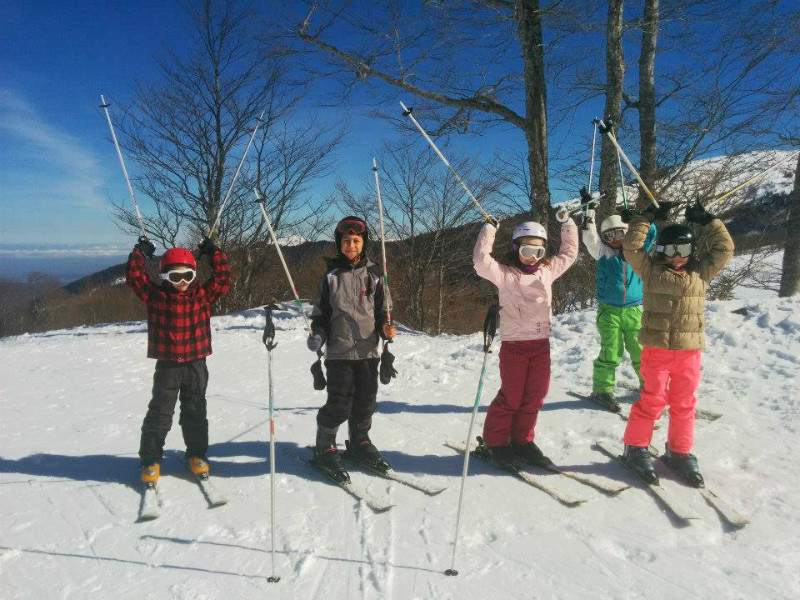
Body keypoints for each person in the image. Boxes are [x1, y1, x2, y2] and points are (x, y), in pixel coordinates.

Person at [620, 202, 733, 486]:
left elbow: (724, 249)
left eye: (683, 251)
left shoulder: (700, 273)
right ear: (660, 252)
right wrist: (643, 219)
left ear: (692, 252)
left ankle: (680, 451)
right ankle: (635, 447)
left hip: (688, 353)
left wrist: (709, 221)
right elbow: (632, 248)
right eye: (669, 250)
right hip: (656, 351)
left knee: (684, 403)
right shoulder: (650, 271)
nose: (677, 257)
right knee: (652, 401)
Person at [473, 207, 579, 467]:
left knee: (535, 396)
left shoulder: (547, 271)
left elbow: (569, 254)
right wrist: (489, 230)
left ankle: (522, 439)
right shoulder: (505, 275)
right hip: (515, 347)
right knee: (512, 396)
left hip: (541, 346)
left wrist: (567, 225)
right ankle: (496, 442)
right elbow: (480, 261)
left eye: (538, 252)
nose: (532, 258)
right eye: (526, 251)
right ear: (515, 248)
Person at [126, 235, 231, 484]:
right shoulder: (156, 297)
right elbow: (135, 278)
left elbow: (223, 278)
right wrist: (139, 253)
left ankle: (196, 455)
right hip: (168, 365)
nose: (182, 282)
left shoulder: (202, 295)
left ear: (195, 275)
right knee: (161, 412)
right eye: (175, 277)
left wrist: (213, 252)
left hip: (196, 364)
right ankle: (150, 458)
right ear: (164, 276)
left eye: (188, 276)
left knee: (195, 411)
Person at [307, 216, 397, 483]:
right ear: (339, 243)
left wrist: (386, 330)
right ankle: (325, 446)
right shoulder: (330, 277)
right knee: (340, 402)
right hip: (339, 352)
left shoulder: (376, 275)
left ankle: (359, 442)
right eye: (346, 241)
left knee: (366, 401)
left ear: (363, 243)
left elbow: (383, 314)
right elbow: (320, 316)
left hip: (369, 352)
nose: (351, 245)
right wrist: (318, 336)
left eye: (356, 241)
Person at [582, 210, 656, 410]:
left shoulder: (636, 253)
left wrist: (643, 219)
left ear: (627, 233)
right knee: (611, 351)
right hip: (610, 312)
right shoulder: (603, 253)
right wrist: (588, 214)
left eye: (620, 234)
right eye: (609, 236)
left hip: (634, 311)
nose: (615, 240)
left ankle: (650, 387)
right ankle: (602, 390)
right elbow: (591, 239)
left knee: (640, 351)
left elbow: (649, 235)